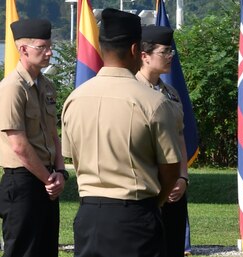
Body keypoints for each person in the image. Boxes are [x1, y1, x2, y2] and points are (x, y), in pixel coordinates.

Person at [61, 8, 181, 257]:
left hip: (88, 216)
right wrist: (153, 204)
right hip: (134, 216)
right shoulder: (154, 102)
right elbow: (170, 169)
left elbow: (72, 157)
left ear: (101, 47)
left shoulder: (74, 99)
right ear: (136, 50)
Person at [0, 19, 68, 257]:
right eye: (42, 47)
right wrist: (49, 179)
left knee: (47, 249)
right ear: (23, 50)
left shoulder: (47, 86)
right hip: (23, 182)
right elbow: (18, 144)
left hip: (47, 179)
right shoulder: (12, 88)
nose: (49, 52)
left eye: (50, 46)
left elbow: (53, 135)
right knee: (23, 250)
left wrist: (60, 172)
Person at [136, 25, 189, 257]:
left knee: (173, 247)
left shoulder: (171, 93)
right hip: (147, 187)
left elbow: (179, 137)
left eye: (171, 52)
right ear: (144, 56)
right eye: (164, 52)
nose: (170, 57)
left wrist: (182, 177)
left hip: (174, 187)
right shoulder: (132, 91)